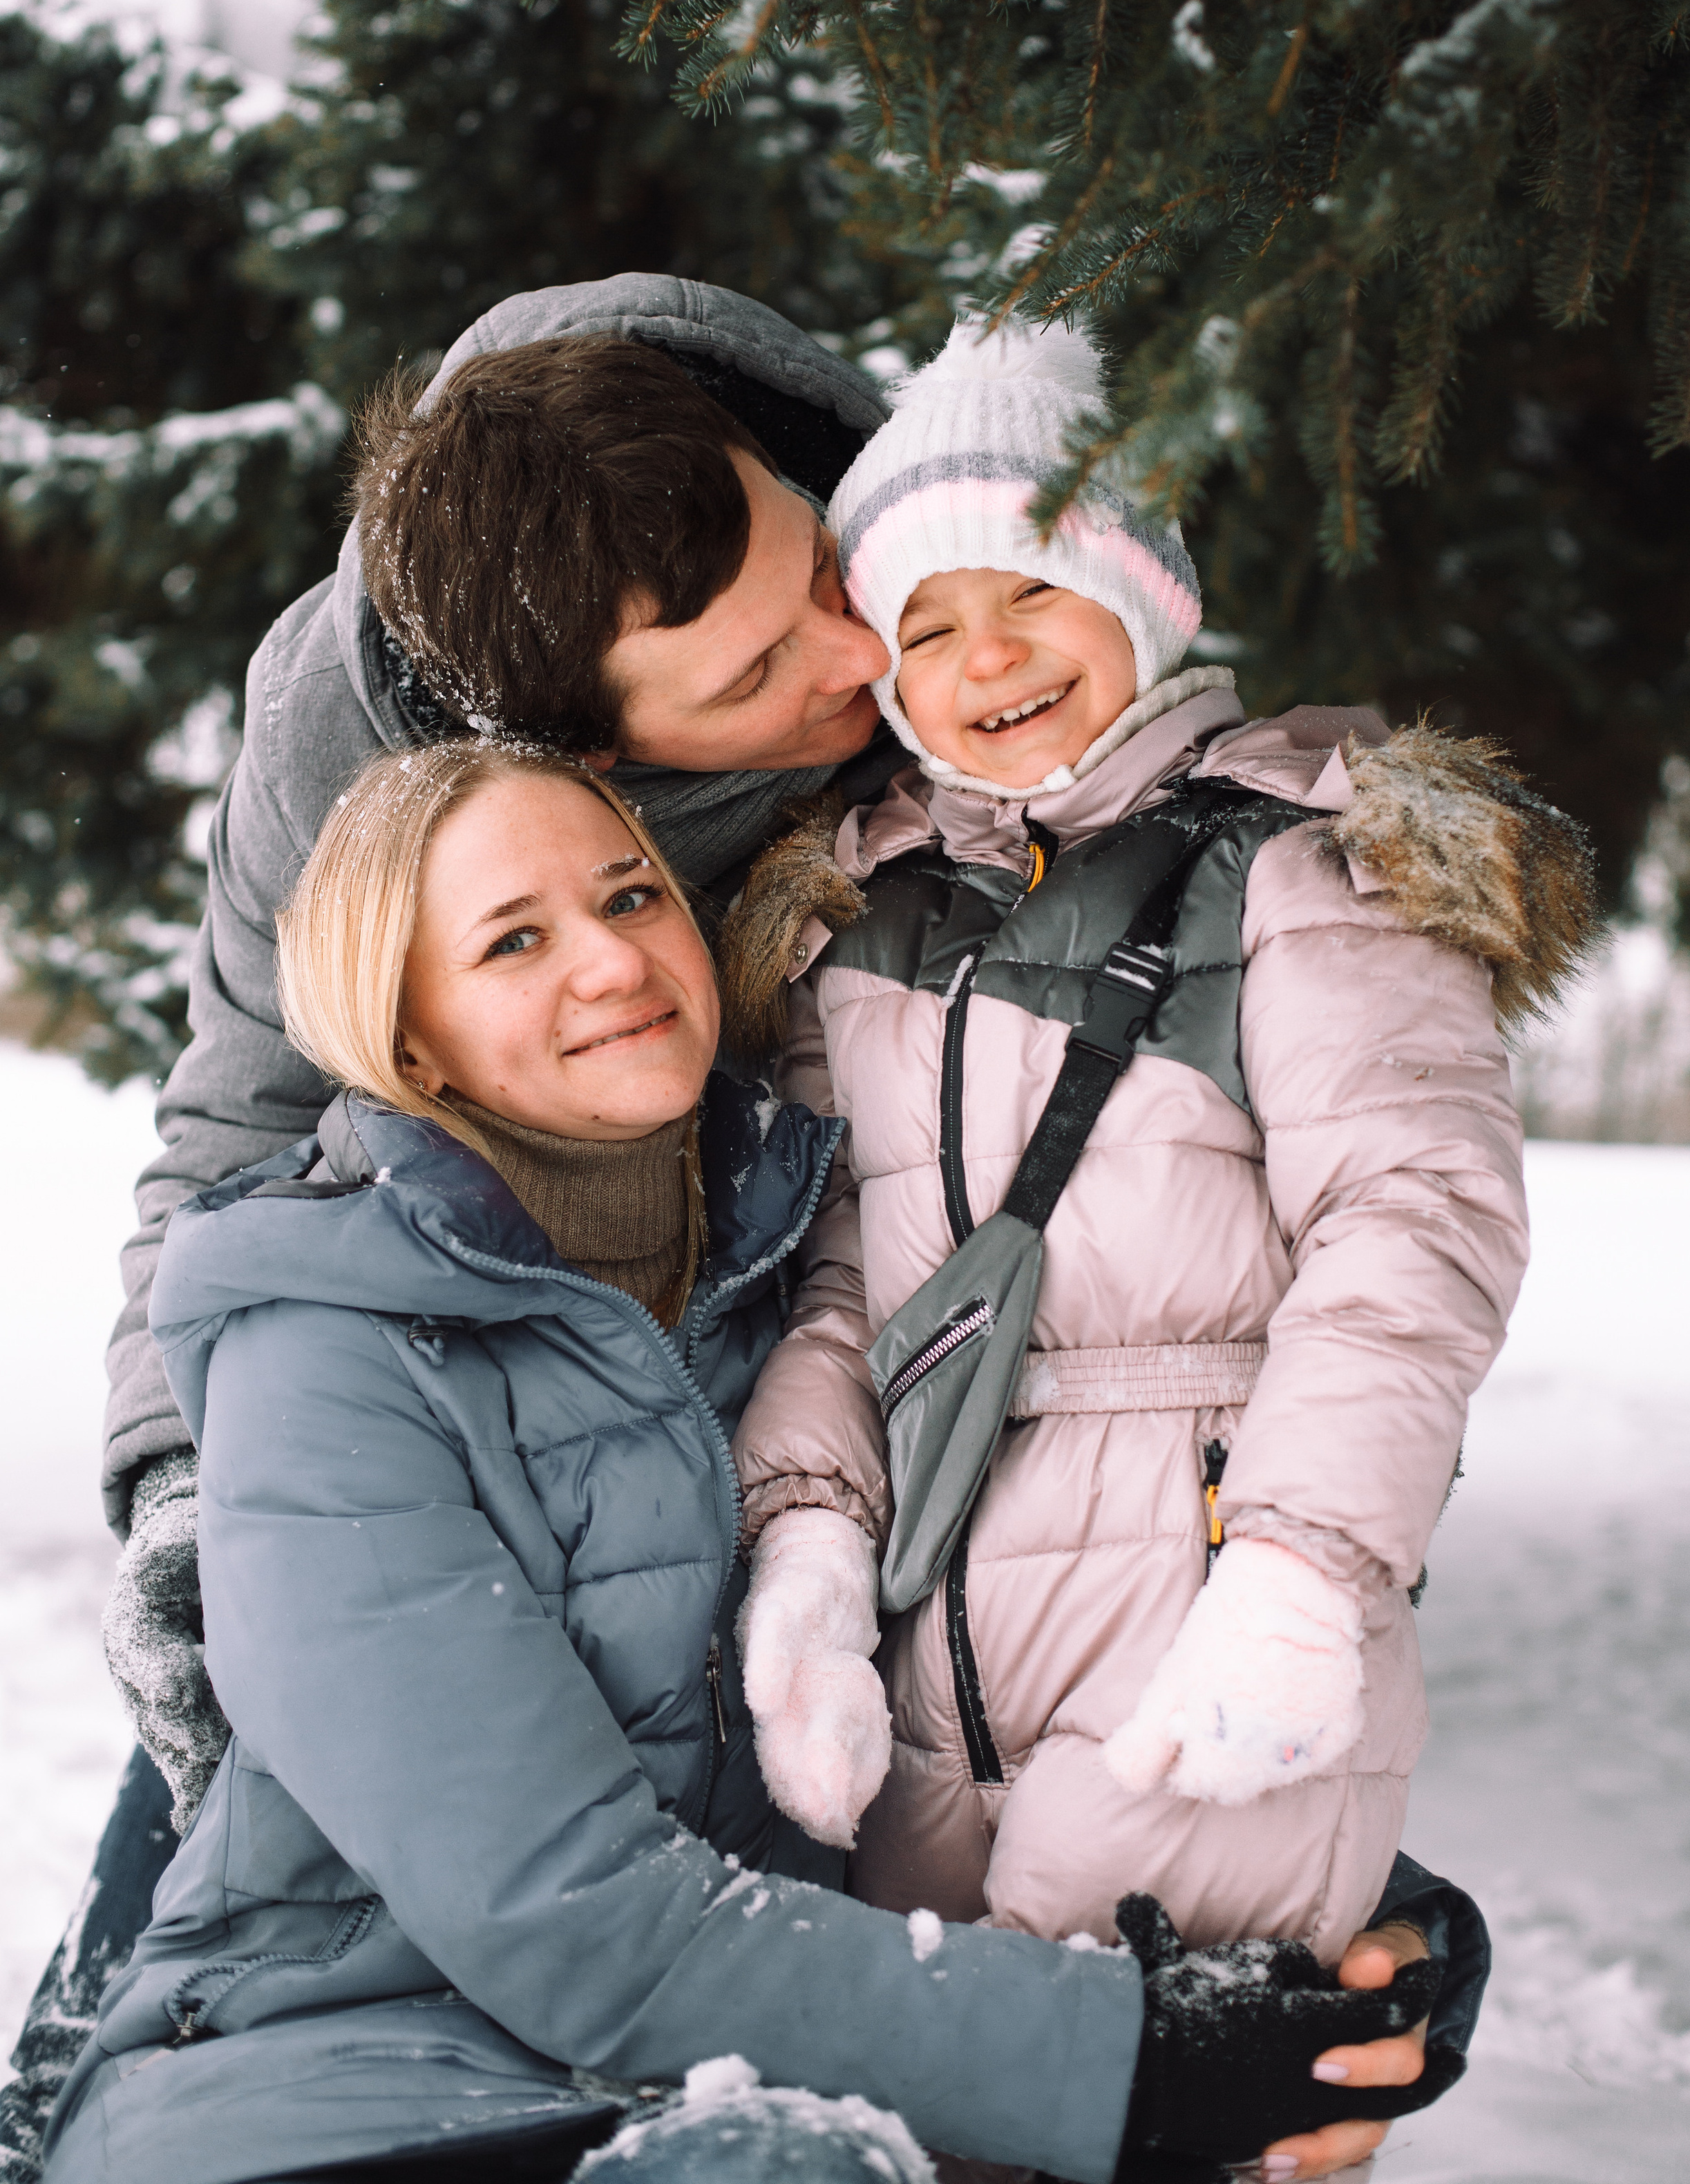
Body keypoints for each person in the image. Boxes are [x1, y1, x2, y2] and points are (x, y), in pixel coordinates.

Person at [3, 276, 1490, 2180]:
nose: (868, 647)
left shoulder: (914, 567)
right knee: (320, 1701)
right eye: (754, 671)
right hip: (479, 1349)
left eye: (820, 565)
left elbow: (1152, 1096)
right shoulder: (353, 781)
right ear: (603, 756)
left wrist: (1306, 1863)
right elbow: (246, 1130)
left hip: (747, 1274)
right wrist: (202, 1512)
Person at [721, 319, 1596, 2007]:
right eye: (929, 626)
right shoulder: (866, 915)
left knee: (1131, 2085)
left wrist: (1296, 1569)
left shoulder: (1303, 868)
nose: (986, 661)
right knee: (959, 2095)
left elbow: (1408, 1231)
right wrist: (812, 1553)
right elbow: (840, 1284)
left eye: (1030, 592)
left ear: (1135, 586)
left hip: (1199, 1597)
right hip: (930, 1636)